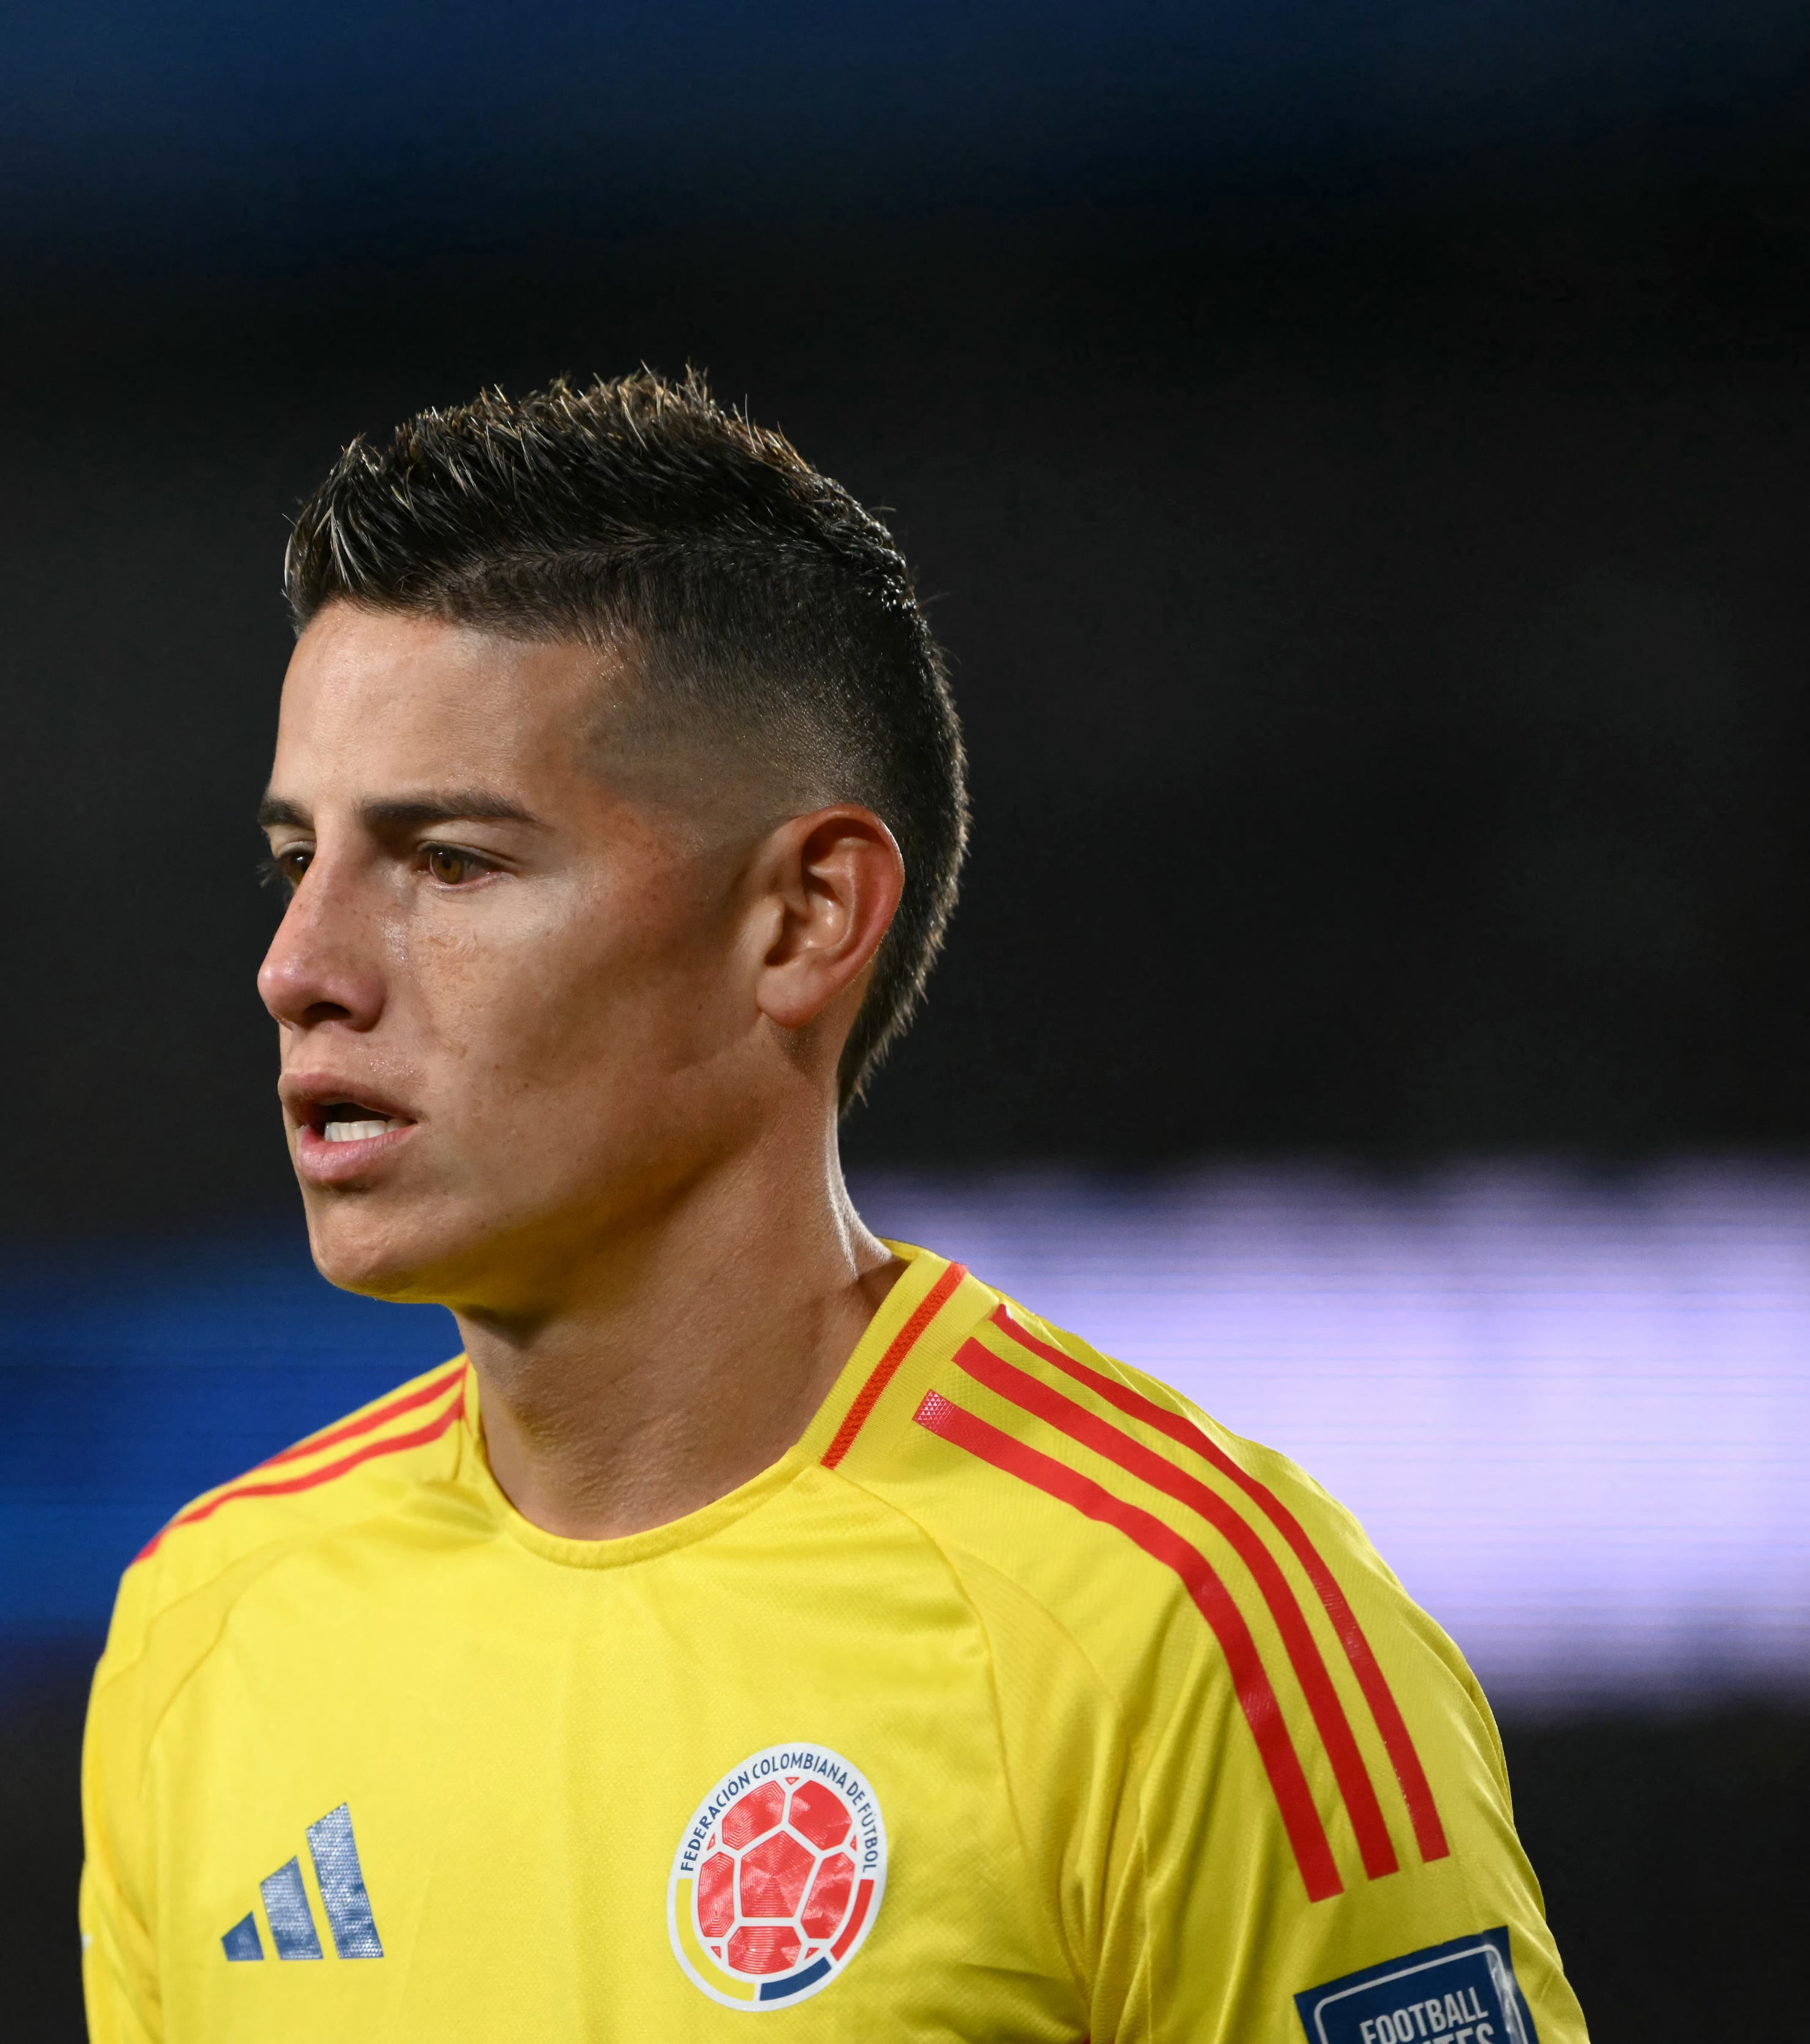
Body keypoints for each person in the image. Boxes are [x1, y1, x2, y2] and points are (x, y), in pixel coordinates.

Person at [77, 371, 1582, 2043]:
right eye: (300, 862)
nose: (301, 972)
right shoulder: (210, 1631)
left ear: (801, 919)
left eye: (451, 862)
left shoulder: (1184, 1623)